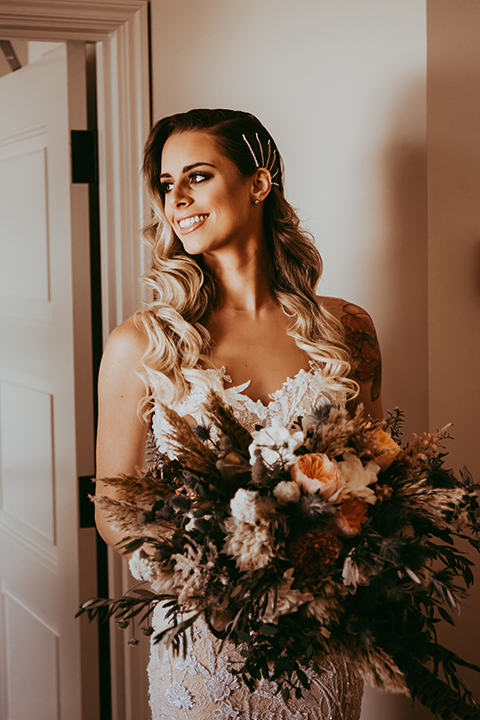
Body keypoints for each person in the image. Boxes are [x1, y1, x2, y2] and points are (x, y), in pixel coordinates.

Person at [95, 108, 384, 719]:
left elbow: (379, 471)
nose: (177, 198)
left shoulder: (347, 328)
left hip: (320, 642)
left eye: (197, 175)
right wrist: (214, 574)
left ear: (259, 182)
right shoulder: (144, 344)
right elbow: (113, 507)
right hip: (207, 642)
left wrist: (339, 557)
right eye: (167, 184)